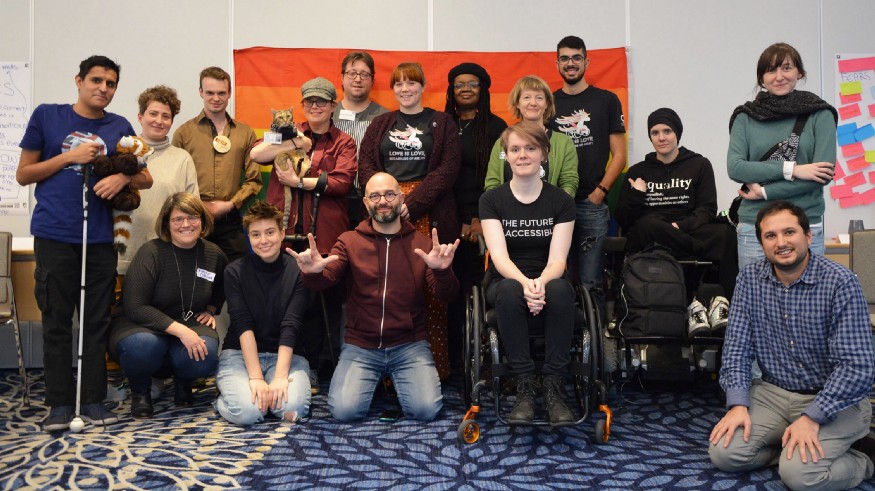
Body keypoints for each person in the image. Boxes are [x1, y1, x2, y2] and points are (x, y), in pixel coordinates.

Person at [17, 55, 153, 431]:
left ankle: (92, 399)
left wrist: (124, 179)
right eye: (96, 81)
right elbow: (24, 173)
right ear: (78, 80)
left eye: (110, 84)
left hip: (99, 240)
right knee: (57, 321)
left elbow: (146, 178)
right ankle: (60, 403)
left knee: (96, 322)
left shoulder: (120, 126)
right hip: (55, 236)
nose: (103, 89)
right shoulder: (48, 116)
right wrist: (69, 158)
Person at [709, 201, 875, 490]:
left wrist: (813, 417)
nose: (781, 242)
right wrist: (737, 403)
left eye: (789, 232)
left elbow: (856, 367)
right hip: (773, 393)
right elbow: (737, 346)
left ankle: (865, 459)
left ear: (808, 236)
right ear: (761, 243)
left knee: (800, 477)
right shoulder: (749, 279)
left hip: (833, 399)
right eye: (770, 236)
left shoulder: (840, 282)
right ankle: (791, 451)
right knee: (725, 454)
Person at [290, 172, 459, 422]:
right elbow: (328, 278)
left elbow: (447, 294)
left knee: (425, 411)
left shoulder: (422, 244)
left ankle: (390, 386)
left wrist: (442, 271)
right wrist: (313, 273)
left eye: (390, 194)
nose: (383, 201)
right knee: (344, 412)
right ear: (366, 202)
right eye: (375, 196)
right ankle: (376, 385)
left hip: (409, 345)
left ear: (402, 200)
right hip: (361, 345)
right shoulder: (349, 241)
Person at [250, 77, 357, 391]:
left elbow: (342, 182)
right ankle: (297, 365)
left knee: (327, 299)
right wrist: (298, 144)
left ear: (333, 106)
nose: (314, 106)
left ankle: (328, 365)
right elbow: (257, 154)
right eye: (309, 101)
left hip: (325, 233)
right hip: (282, 234)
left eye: (321, 102)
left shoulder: (344, 142)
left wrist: (299, 182)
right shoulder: (288, 130)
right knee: (291, 302)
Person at [358, 62, 461, 380]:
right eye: (399, 84)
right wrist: (387, 200)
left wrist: (412, 204)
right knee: (388, 288)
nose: (405, 89)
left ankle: (434, 372)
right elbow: (366, 167)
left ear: (423, 85)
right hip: (386, 209)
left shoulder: (442, 123)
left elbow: (448, 170)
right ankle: (386, 375)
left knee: (431, 289)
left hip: (430, 214)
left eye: (411, 82)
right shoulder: (380, 123)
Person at [480, 122, 577, 427]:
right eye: (515, 149)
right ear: (505, 156)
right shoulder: (491, 200)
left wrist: (541, 285)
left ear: (544, 154)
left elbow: (558, 261)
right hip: (506, 280)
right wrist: (525, 285)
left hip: (549, 276)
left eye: (530, 148)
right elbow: (499, 257)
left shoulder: (561, 201)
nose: (523, 155)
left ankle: (553, 386)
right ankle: (523, 384)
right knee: (509, 290)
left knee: (561, 290)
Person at [615, 108, 737, 335]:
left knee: (725, 234)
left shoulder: (700, 165)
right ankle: (693, 300)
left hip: (687, 230)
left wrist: (681, 227)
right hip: (651, 234)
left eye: (667, 131)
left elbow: (707, 209)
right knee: (647, 224)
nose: (661, 137)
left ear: (677, 133)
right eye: (655, 132)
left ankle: (727, 304)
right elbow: (624, 218)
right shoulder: (638, 171)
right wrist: (637, 194)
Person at [108, 193, 227, 418]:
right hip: (141, 325)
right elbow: (135, 307)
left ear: (202, 221)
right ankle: (140, 392)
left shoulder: (214, 254)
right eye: (177, 219)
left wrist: (212, 309)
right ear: (166, 223)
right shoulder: (151, 252)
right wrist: (182, 331)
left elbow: (223, 285)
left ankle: (183, 382)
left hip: (189, 319)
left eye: (192, 217)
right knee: (142, 346)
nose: (186, 225)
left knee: (205, 354)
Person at [728, 42, 837, 269]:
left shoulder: (820, 113)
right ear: (761, 78)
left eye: (786, 68)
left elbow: (822, 174)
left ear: (800, 72)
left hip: (805, 224)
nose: (779, 76)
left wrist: (765, 191)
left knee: (809, 302)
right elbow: (736, 168)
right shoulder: (745, 116)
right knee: (756, 300)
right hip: (755, 225)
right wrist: (794, 169)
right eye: (770, 70)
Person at [214, 201, 311, 425]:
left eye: (270, 232)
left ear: (282, 233)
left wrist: (279, 377)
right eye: (256, 234)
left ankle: (259, 394)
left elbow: (291, 325)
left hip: (288, 355)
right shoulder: (234, 272)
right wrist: (256, 378)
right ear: (248, 236)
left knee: (292, 409)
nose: (264, 240)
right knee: (248, 413)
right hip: (240, 355)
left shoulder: (298, 270)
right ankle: (224, 399)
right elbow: (242, 323)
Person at [549, 35, 626, 302]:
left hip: (591, 203)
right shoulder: (548, 102)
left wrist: (600, 192)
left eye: (576, 58)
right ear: (557, 63)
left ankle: (594, 341)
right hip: (554, 204)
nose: (571, 63)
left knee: (591, 281)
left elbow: (619, 155)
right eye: (565, 58)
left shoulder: (606, 100)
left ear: (586, 61)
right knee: (555, 279)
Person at [444, 62, 508, 370]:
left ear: (483, 89)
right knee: (447, 291)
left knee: (476, 288)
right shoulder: (441, 124)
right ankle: (452, 360)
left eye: (472, 84)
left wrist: (476, 217)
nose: (465, 89)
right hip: (444, 219)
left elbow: (492, 178)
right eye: (459, 84)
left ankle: (482, 360)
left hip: (479, 221)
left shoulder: (496, 129)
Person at [171, 66, 261, 262]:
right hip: (193, 220)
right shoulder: (183, 133)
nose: (216, 98)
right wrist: (197, 206)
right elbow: (174, 180)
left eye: (221, 93)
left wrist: (229, 205)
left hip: (231, 220)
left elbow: (254, 181)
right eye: (210, 93)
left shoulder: (246, 133)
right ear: (201, 92)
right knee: (195, 278)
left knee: (239, 275)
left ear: (229, 93)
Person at [119, 85, 199, 270]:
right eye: (153, 114)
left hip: (167, 259)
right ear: (140, 117)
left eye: (166, 116)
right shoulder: (121, 154)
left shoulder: (182, 159)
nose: (159, 121)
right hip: (123, 256)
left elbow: (193, 210)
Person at [485, 75, 578, 197]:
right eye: (527, 97)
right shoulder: (503, 141)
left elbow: (569, 182)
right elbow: (492, 183)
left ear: (547, 104)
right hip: (508, 213)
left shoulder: (563, 143)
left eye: (539, 98)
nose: (533, 103)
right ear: (517, 103)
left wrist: (557, 208)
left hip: (550, 213)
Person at [332, 51, 389, 227]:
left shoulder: (385, 117)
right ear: (342, 78)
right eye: (352, 73)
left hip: (373, 199)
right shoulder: (328, 114)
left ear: (372, 80)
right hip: (334, 197)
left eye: (364, 74)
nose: (358, 79)